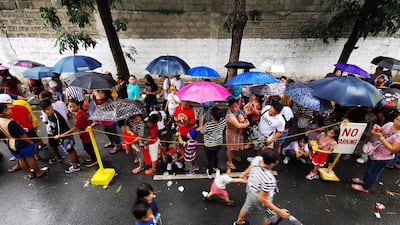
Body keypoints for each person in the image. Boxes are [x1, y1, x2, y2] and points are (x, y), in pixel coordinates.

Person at [233, 148, 290, 225]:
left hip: (251, 189)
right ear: (271, 163)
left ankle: (239, 222)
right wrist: (279, 211)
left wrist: (244, 174)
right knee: (271, 216)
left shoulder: (258, 159)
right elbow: (263, 199)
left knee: (247, 206)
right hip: (259, 197)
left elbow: (251, 167)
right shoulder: (269, 179)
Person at [351, 115, 400, 193]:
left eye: (399, 121)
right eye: (396, 119)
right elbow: (381, 130)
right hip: (375, 150)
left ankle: (365, 187)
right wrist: (377, 129)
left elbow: (393, 149)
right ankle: (364, 180)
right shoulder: (390, 124)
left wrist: (381, 138)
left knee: (373, 172)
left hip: (384, 156)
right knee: (368, 167)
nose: (396, 122)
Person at [0, 103, 47, 179]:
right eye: (6, 110)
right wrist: (30, 142)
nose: (9, 111)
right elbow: (22, 135)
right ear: (2, 114)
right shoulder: (11, 123)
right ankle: (38, 172)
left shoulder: (1, 120)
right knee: (30, 157)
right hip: (20, 141)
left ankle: (29, 174)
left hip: (10, 141)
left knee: (20, 159)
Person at [39, 99, 81, 174]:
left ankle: (75, 166)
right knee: (71, 150)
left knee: (70, 151)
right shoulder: (49, 115)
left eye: (50, 108)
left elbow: (59, 126)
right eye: (46, 110)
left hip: (64, 135)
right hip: (61, 136)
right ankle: (77, 162)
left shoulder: (55, 115)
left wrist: (58, 135)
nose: (49, 110)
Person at [55, 99, 97, 168]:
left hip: (87, 134)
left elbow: (74, 128)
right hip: (84, 134)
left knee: (88, 147)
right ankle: (93, 157)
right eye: (69, 106)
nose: (71, 108)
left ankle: (94, 159)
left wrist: (62, 135)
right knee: (88, 147)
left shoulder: (80, 115)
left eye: (73, 106)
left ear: (78, 106)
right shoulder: (78, 113)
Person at [199, 106, 226, 177]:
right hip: (219, 143)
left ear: (212, 116)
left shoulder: (208, 125)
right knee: (215, 156)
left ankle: (210, 172)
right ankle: (215, 167)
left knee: (210, 159)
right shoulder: (223, 121)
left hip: (209, 145)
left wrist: (202, 120)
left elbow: (202, 131)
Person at [93, 90, 122, 154]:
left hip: (110, 122)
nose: (99, 94)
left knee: (114, 134)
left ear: (106, 94)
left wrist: (97, 104)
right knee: (108, 133)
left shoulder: (109, 101)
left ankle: (118, 145)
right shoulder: (101, 101)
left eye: (101, 93)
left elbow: (102, 110)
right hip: (103, 122)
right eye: (98, 92)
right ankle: (112, 142)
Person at [226, 99, 250, 170]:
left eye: (236, 106)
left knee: (234, 145)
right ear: (229, 107)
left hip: (235, 132)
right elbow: (239, 126)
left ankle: (233, 156)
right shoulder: (230, 116)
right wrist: (247, 123)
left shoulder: (236, 112)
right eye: (233, 107)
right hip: (231, 133)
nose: (235, 108)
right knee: (230, 148)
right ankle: (229, 162)